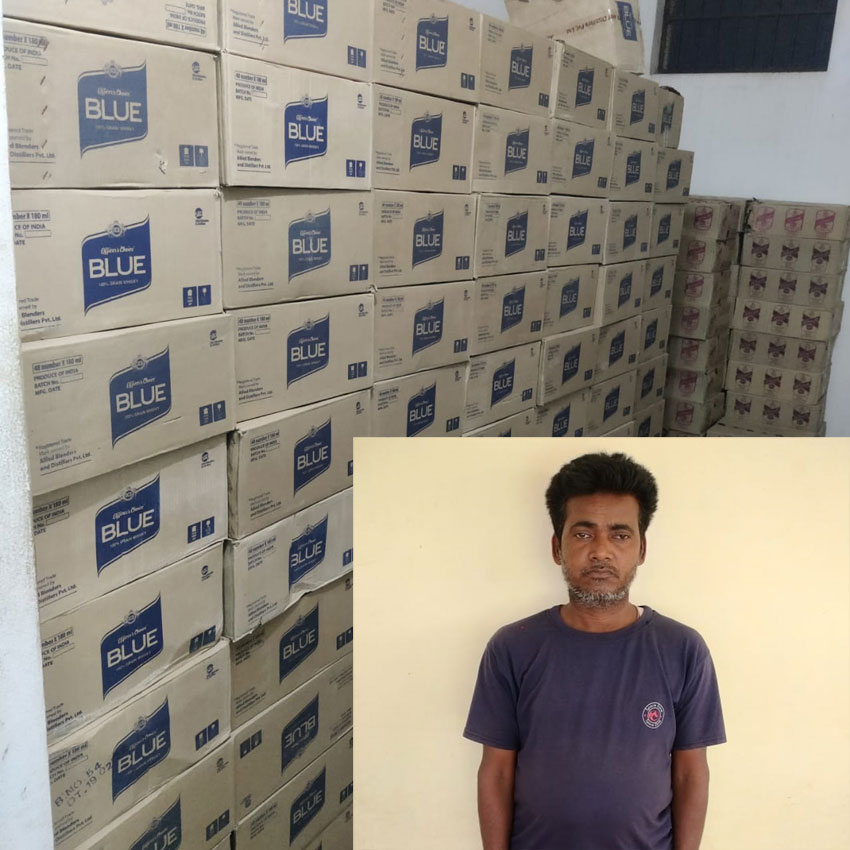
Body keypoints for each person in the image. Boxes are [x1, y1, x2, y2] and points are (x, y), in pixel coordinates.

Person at [463, 452, 726, 850]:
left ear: (641, 549)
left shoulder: (683, 649)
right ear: (557, 547)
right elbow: (497, 771)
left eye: (620, 535)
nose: (601, 551)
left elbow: (690, 773)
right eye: (583, 534)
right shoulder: (513, 646)